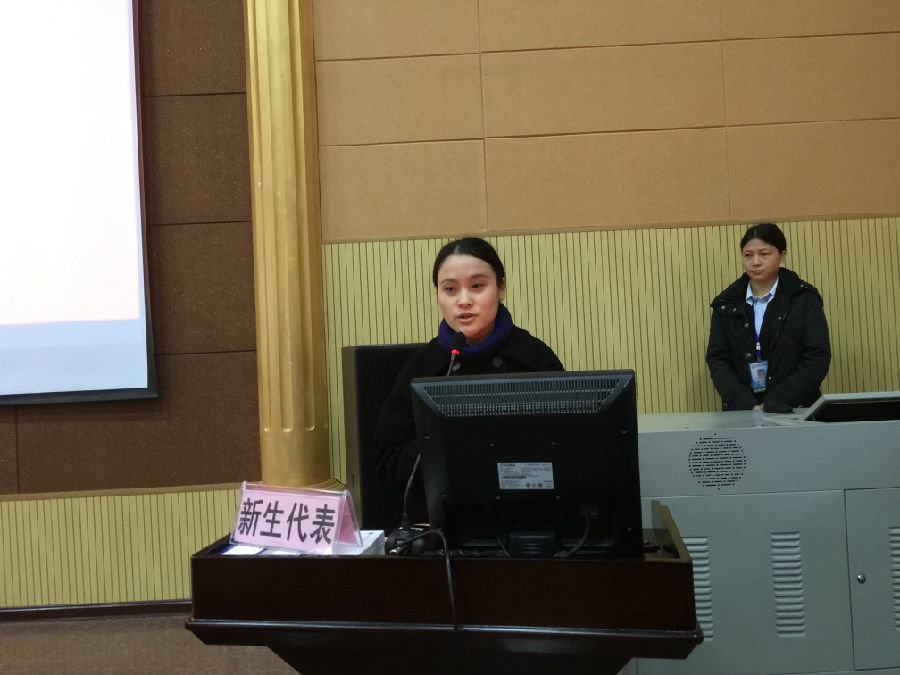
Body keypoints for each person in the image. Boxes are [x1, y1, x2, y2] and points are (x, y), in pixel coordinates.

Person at [374, 237, 564, 523]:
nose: (463, 300)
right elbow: (388, 459)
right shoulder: (421, 367)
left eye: (477, 286)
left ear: (501, 288)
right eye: (450, 289)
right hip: (444, 525)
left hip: (526, 521)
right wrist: (447, 451)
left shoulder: (535, 358)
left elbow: (566, 449)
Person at [706, 223, 830, 412]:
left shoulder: (804, 299)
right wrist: (745, 403)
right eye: (748, 255)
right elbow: (718, 359)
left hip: (794, 408)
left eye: (764, 254)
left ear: (782, 255)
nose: (755, 262)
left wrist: (775, 402)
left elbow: (817, 356)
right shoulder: (726, 303)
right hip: (742, 410)